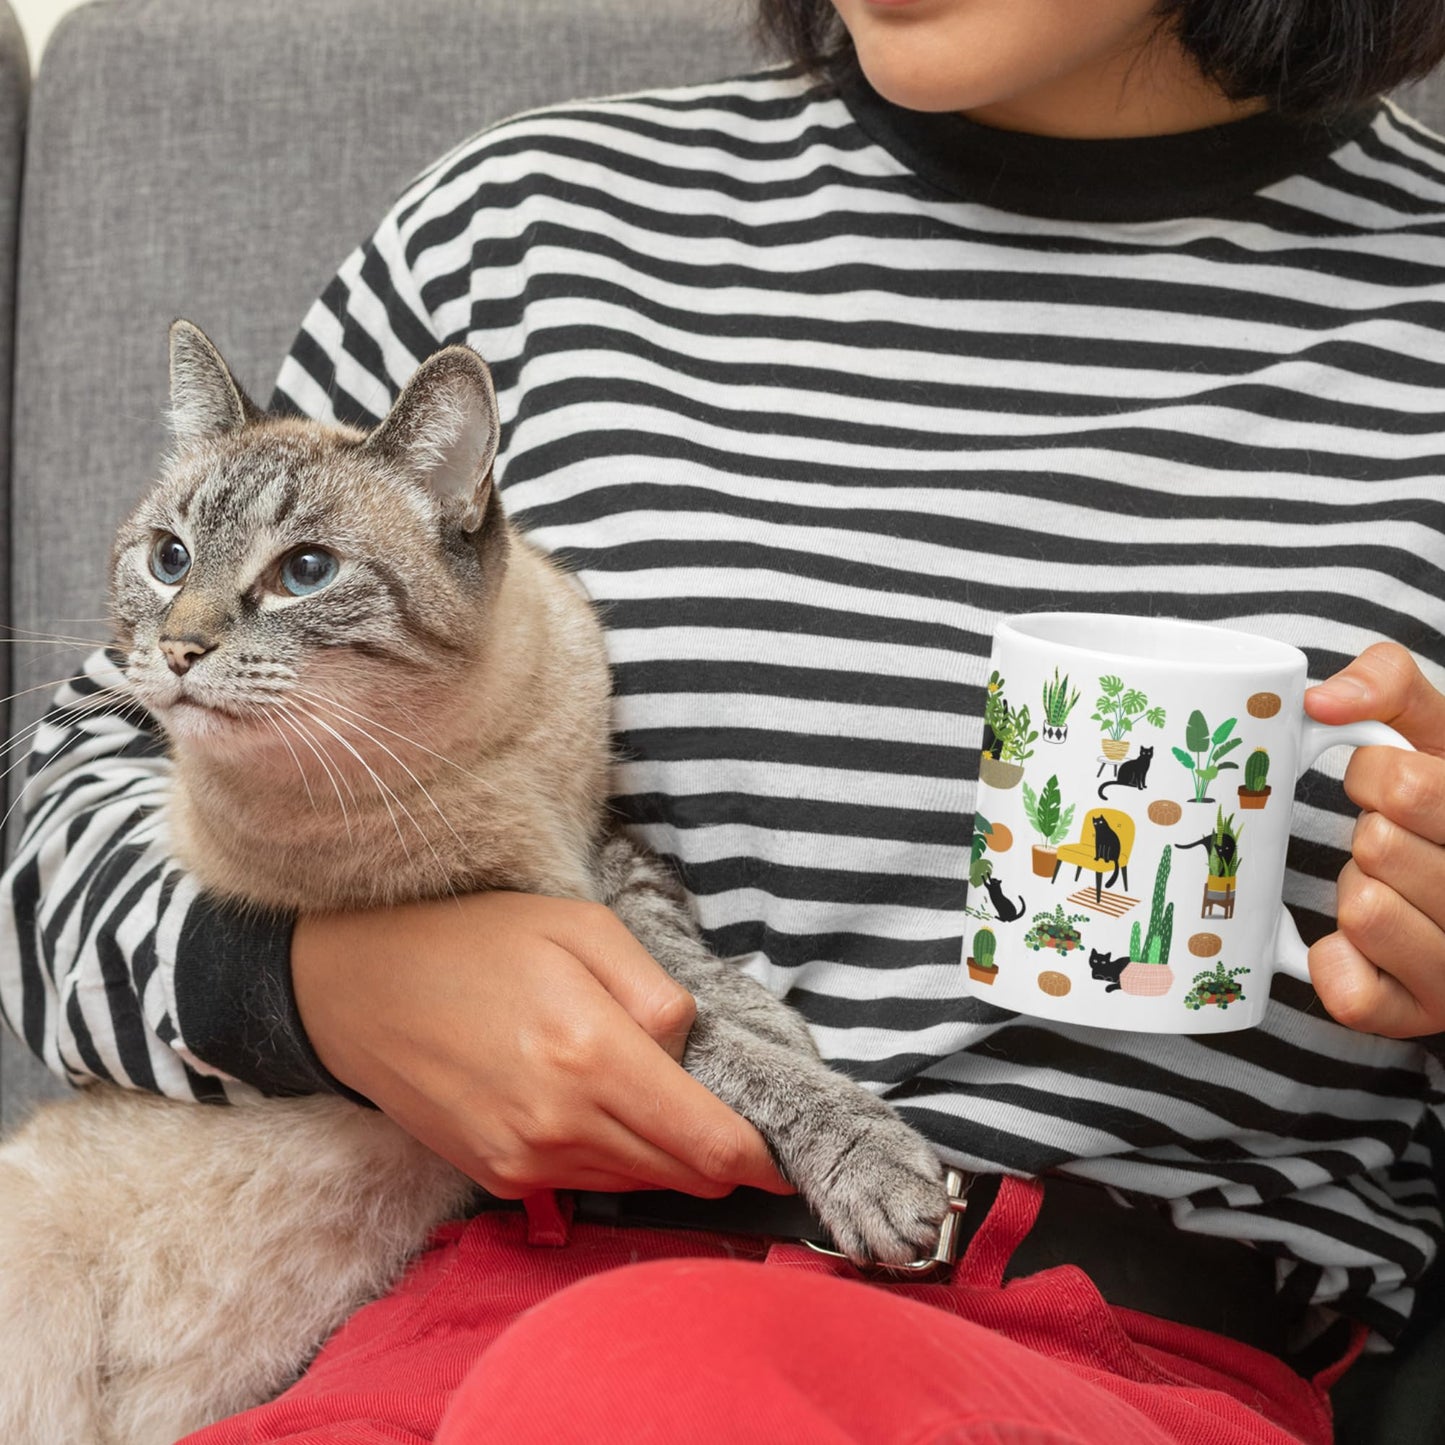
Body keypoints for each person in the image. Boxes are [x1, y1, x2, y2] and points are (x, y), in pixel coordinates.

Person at [3, 0, 1445, 1439]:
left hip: (1087, 1359)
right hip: (451, 1312)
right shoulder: (525, 228)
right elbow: (72, 813)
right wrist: (322, 990)